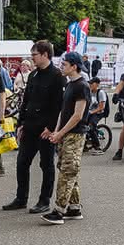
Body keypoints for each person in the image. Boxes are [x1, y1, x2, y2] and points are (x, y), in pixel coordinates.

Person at [3, 41, 65, 214]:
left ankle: (44, 200)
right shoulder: (33, 75)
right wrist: (20, 123)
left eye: (34, 55)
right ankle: (21, 198)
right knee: (22, 163)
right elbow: (26, 101)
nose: (32, 58)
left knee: (46, 165)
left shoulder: (57, 76)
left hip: (45, 129)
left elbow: (58, 106)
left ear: (45, 54)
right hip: (30, 126)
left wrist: (51, 127)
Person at [39, 51, 91, 224]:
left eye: (64, 64)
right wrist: (56, 131)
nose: (61, 67)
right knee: (67, 168)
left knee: (68, 171)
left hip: (76, 134)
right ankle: (74, 208)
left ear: (74, 66)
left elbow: (77, 115)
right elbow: (63, 111)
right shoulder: (69, 85)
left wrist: (60, 133)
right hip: (66, 134)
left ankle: (59, 211)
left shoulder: (82, 86)